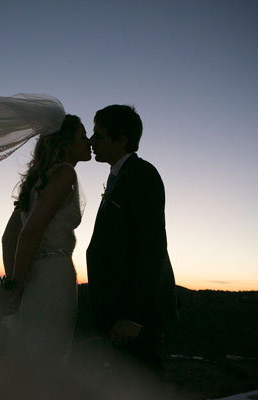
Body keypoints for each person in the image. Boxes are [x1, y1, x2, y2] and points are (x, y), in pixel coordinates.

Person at [0, 114, 91, 398]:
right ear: (66, 143)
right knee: (49, 357)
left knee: (28, 355)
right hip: (53, 277)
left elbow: (9, 237)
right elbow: (30, 232)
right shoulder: (64, 174)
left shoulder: (36, 180)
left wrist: (14, 282)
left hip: (32, 274)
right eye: (83, 137)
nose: (89, 143)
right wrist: (15, 289)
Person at [86, 105, 178, 390]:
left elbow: (152, 249)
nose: (91, 141)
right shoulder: (121, 175)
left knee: (142, 387)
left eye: (98, 135)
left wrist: (135, 318)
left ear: (121, 139)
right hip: (119, 311)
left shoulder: (142, 175)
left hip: (136, 317)